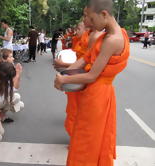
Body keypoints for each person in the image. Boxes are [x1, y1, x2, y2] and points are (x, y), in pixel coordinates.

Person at [54, 0, 130, 165]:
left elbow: (91, 76)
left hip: (98, 95)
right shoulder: (106, 35)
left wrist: (64, 79)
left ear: (104, 14)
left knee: (87, 140)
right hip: (95, 93)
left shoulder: (113, 40)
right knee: (86, 136)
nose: (90, 24)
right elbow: (84, 60)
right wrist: (64, 73)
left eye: (91, 19)